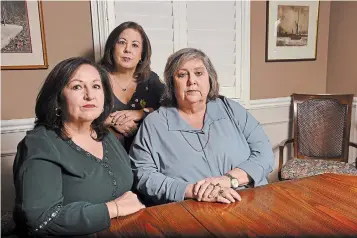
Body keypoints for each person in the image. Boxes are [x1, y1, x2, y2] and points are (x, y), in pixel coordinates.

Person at [12, 57, 145, 237]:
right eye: (77, 86)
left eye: (96, 86)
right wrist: (113, 209)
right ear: (58, 98)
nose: (89, 95)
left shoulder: (106, 136)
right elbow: (41, 220)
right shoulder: (39, 143)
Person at [130, 48, 274, 205]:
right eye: (182, 75)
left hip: (247, 201)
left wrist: (229, 180)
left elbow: (264, 153)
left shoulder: (231, 109)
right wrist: (191, 190)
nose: (192, 81)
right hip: (191, 208)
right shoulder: (154, 124)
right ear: (172, 83)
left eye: (198, 73)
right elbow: (143, 175)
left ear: (210, 79)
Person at [99, 21, 165, 152]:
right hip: (106, 152)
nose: (127, 49)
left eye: (135, 45)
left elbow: (172, 109)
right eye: (122, 42)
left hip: (146, 151)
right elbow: (75, 116)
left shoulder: (150, 80)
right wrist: (110, 120)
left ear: (142, 54)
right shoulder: (95, 77)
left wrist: (141, 113)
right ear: (112, 48)